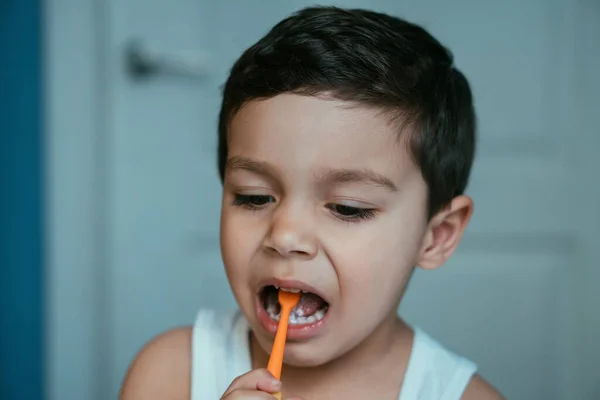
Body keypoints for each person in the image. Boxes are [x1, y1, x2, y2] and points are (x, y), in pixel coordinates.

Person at [120, 6, 505, 400]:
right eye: (255, 197)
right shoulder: (170, 375)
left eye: (347, 208)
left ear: (436, 235)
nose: (285, 236)